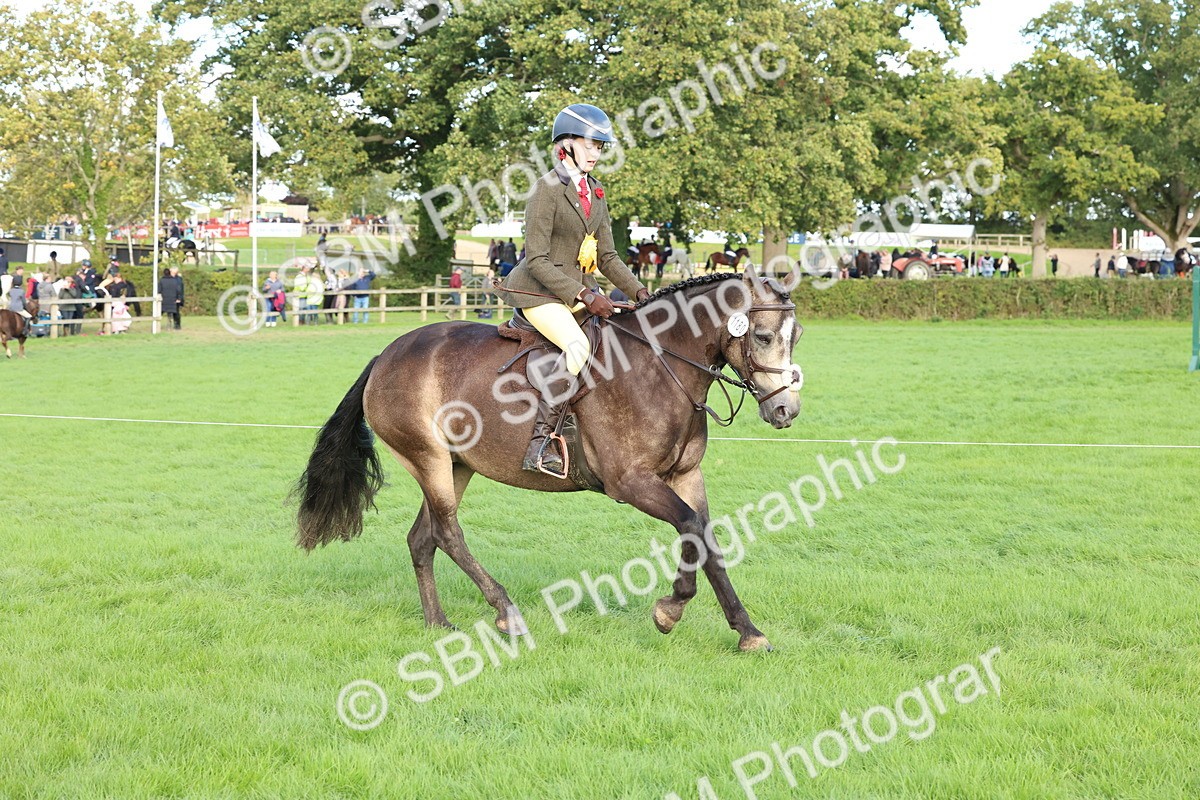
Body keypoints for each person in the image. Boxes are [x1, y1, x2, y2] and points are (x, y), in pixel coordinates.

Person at [495, 103, 649, 475]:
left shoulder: (596, 192)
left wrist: (641, 294)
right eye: (592, 144)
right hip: (539, 292)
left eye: (601, 146)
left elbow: (608, 256)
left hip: (580, 291)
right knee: (579, 346)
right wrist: (584, 295)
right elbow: (536, 259)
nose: (597, 152)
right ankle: (540, 443)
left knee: (615, 340)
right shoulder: (546, 189)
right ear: (567, 144)